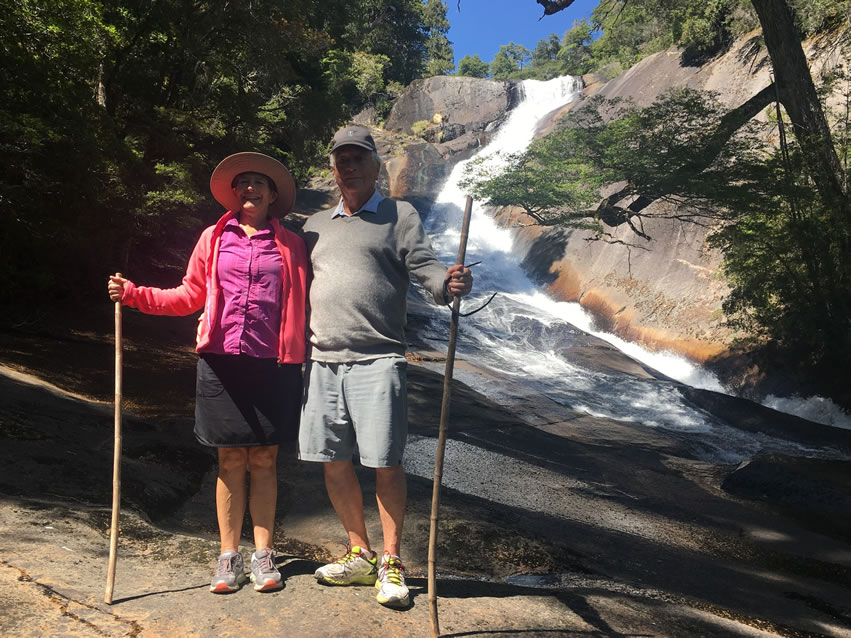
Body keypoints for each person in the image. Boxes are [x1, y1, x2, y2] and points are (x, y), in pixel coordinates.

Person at [107, 153, 308, 594]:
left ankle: (263, 555)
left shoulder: (291, 244)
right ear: (235, 193)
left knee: (266, 460)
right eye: (244, 183)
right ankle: (228, 556)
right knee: (231, 458)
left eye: (259, 183)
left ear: (274, 194)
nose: (250, 189)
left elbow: (310, 301)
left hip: (273, 365)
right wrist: (135, 294)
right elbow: (188, 295)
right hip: (220, 363)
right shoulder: (213, 238)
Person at [300, 125, 473, 608]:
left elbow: (425, 265)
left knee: (385, 463)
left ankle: (392, 559)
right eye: (342, 159)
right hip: (322, 361)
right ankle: (360, 553)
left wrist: (448, 283)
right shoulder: (314, 224)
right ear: (333, 169)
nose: (349, 165)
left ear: (377, 166)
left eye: (358, 158)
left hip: (378, 358)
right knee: (333, 461)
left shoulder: (399, 214)